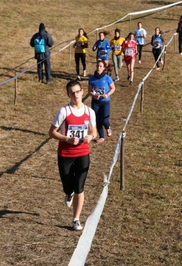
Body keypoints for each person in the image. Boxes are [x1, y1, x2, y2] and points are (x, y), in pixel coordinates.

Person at [48, 80, 97, 231]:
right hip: (65, 154)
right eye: (72, 93)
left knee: (79, 187)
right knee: (68, 186)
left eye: (77, 91)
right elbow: (51, 132)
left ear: (82, 91)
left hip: (83, 153)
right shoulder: (64, 112)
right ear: (68, 95)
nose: (75, 95)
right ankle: (68, 194)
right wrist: (67, 139)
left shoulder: (89, 112)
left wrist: (91, 137)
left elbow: (94, 132)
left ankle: (76, 219)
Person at [88, 61, 116, 144]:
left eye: (100, 66)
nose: (98, 68)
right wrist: (94, 95)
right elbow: (89, 91)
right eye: (97, 66)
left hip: (105, 102)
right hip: (95, 102)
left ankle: (108, 128)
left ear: (104, 68)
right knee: (97, 119)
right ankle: (101, 137)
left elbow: (113, 88)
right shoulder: (92, 79)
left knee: (104, 120)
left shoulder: (107, 78)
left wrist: (107, 94)